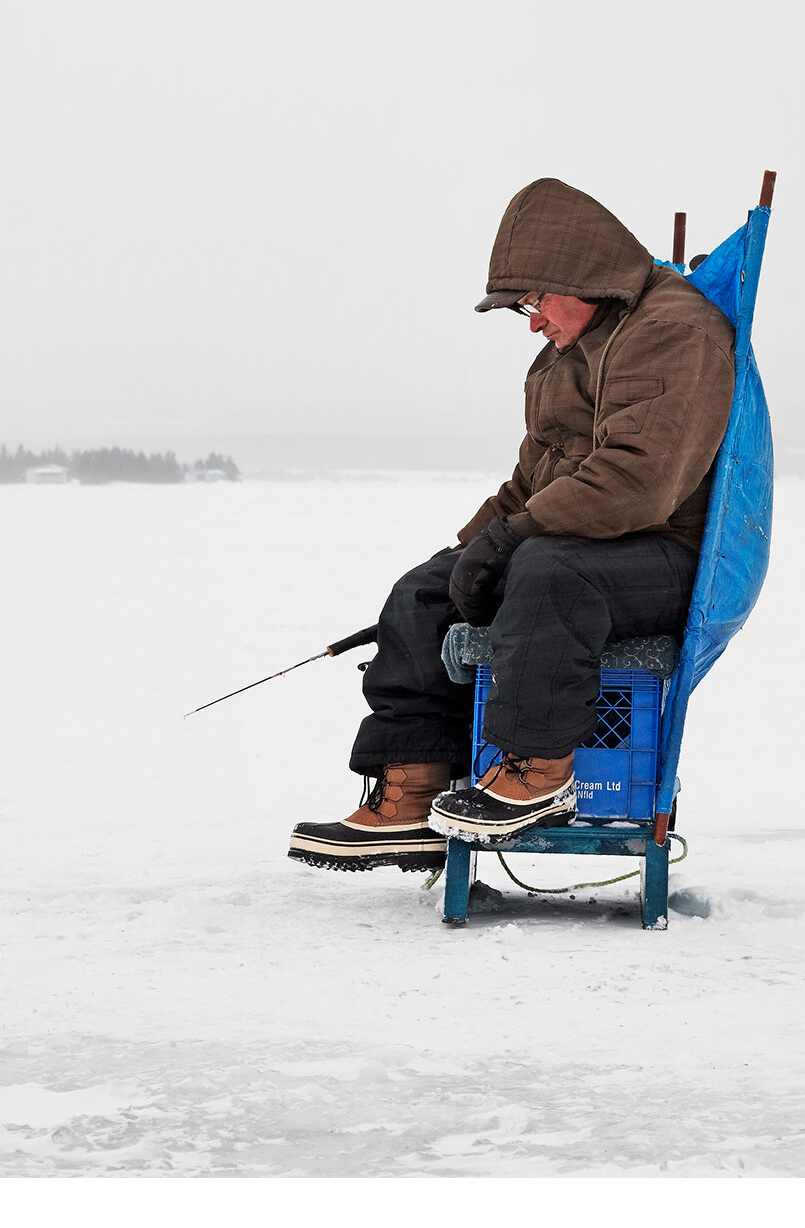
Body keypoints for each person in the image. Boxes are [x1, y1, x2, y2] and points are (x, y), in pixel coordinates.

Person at [287, 177, 735, 871]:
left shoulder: (673, 332)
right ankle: (411, 795)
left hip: (666, 553)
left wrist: (514, 541)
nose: (531, 322)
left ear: (579, 276)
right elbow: (532, 483)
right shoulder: (568, 355)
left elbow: (637, 481)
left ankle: (538, 772)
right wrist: (473, 548)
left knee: (549, 569)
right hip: (584, 544)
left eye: (533, 301)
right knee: (424, 590)